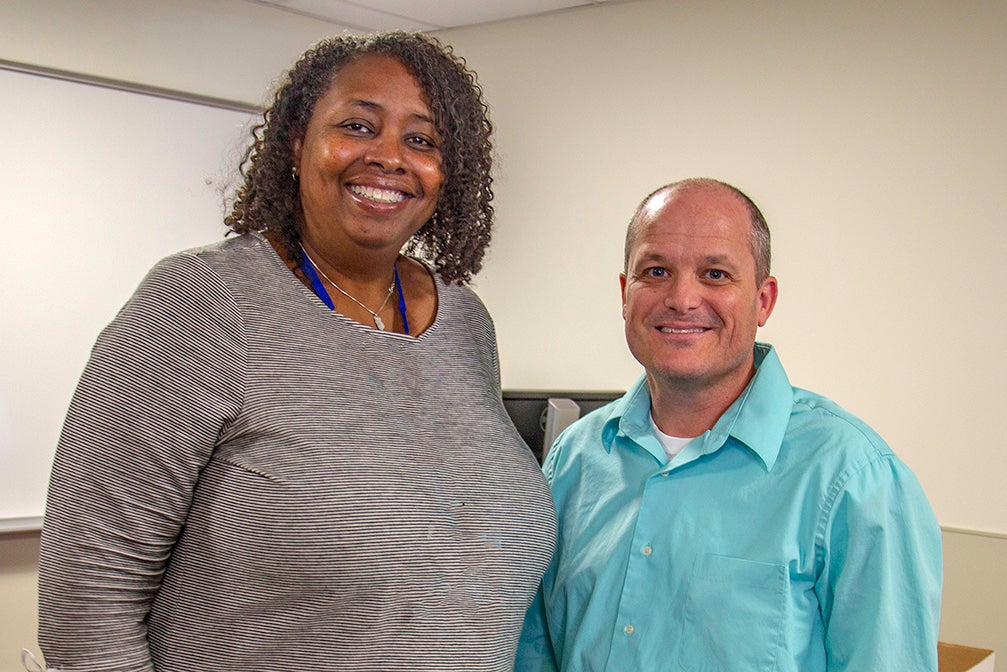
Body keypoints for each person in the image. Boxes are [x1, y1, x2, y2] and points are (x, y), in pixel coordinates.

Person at [36, 32, 556, 672]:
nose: (390, 157)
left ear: (448, 173)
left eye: (421, 140)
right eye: (358, 126)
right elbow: (88, 603)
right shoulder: (205, 299)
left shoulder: (465, 325)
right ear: (295, 144)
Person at [515, 178, 942, 671]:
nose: (681, 297)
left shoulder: (855, 480)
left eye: (715, 274)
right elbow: (534, 652)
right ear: (624, 293)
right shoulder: (575, 459)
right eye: (656, 271)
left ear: (764, 300)